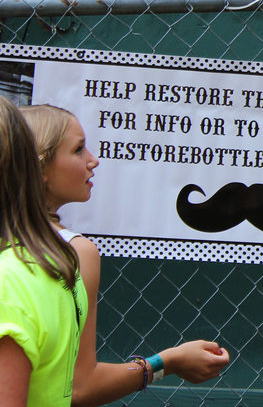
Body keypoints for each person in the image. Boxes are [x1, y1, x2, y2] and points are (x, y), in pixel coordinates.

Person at [21, 104, 230, 405]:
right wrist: (166, 362)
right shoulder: (75, 253)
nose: (93, 160)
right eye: (78, 150)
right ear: (39, 167)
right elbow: (81, 387)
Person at [0, 97, 87, 406]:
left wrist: (157, 366)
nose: (93, 160)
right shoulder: (52, 264)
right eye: (78, 149)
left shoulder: (9, 281)